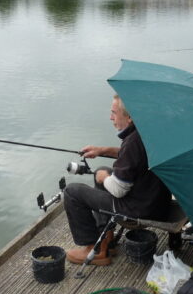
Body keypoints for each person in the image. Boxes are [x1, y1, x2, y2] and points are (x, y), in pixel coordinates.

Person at [63, 94, 171, 266]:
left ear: (129, 117)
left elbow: (119, 189)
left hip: (138, 209)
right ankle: (106, 241)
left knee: (72, 192)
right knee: (102, 170)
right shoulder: (147, 132)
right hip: (156, 201)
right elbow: (133, 158)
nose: (110, 117)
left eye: (114, 112)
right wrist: (102, 150)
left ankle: (96, 250)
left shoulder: (133, 142)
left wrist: (104, 178)